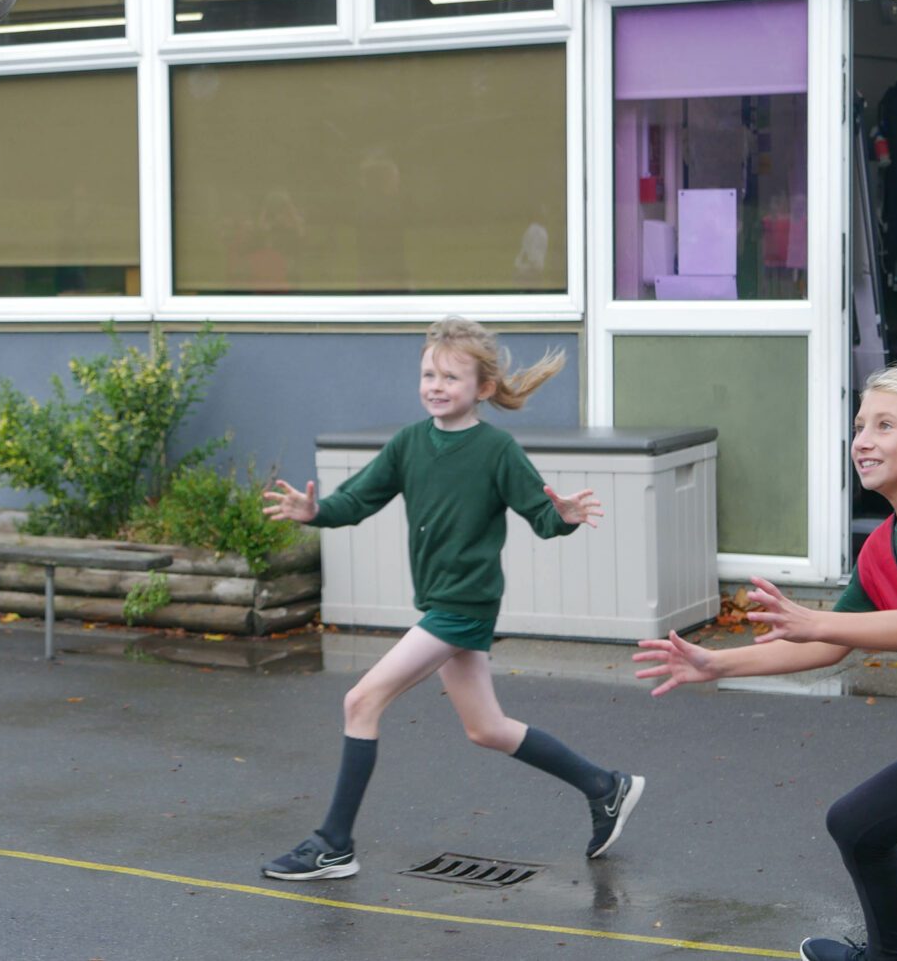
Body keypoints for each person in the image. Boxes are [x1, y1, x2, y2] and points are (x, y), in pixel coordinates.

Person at [635, 365, 897, 961]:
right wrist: (716, 665)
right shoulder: (883, 546)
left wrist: (819, 620)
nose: (863, 440)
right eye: (861, 426)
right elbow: (828, 645)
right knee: (858, 826)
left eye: (886, 425)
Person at [259, 316, 639, 880]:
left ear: (483, 389)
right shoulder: (410, 443)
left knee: (361, 702)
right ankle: (604, 786)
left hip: (463, 605)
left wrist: (563, 517)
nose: (436, 385)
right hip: (443, 603)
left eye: (451, 377)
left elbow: (541, 514)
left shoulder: (496, 450)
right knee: (486, 728)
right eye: (428, 374)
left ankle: (333, 843)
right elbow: (357, 501)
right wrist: (317, 512)